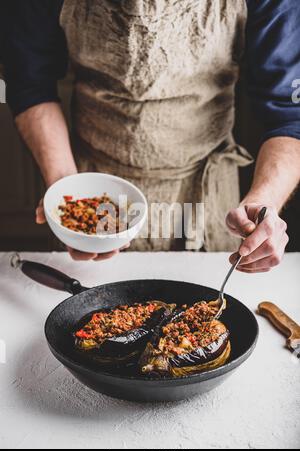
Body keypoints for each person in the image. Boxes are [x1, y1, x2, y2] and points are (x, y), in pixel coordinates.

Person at [1, 0, 300, 273]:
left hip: (205, 193)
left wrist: (264, 204)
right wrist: (66, 187)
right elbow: (30, 82)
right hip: (93, 184)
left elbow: (289, 113)